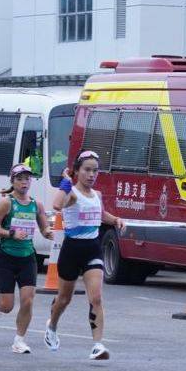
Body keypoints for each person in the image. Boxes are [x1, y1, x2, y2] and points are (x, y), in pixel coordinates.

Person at [44, 151, 125, 360]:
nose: (91, 175)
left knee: (96, 297)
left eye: (95, 170)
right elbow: (56, 204)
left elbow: (100, 215)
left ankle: (97, 345)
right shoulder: (71, 193)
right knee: (64, 299)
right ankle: (52, 326)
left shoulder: (96, 195)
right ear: (77, 171)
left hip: (92, 249)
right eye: (87, 170)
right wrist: (65, 181)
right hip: (71, 251)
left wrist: (115, 220)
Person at [0, 163, 53, 353]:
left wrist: (48, 232)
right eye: (19, 179)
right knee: (7, 305)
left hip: (27, 258)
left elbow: (43, 226)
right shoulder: (7, 203)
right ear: (13, 181)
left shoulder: (36, 204)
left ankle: (19, 340)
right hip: (6, 259)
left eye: (27, 179)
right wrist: (11, 233)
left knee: (28, 300)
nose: (24, 182)